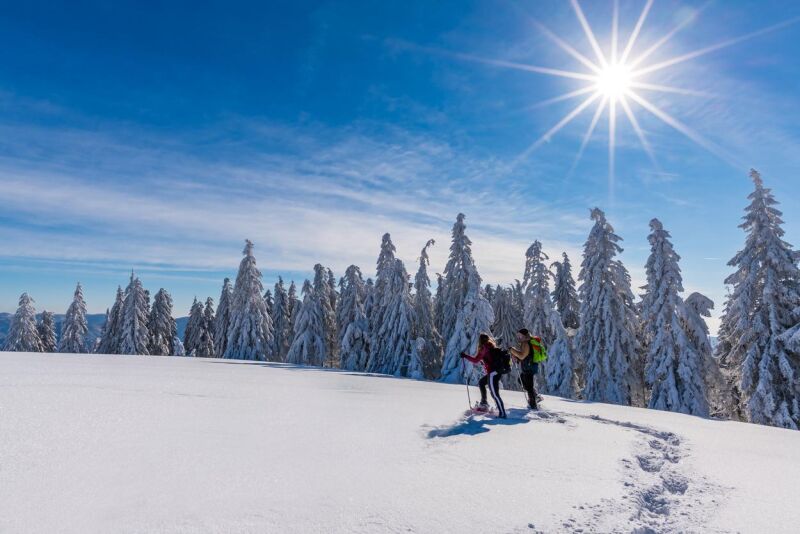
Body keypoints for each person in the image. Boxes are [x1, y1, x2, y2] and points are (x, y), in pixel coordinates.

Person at [460, 333, 507, 418]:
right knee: (482, 382)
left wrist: (465, 356)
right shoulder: (490, 346)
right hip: (496, 372)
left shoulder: (484, 347)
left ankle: (502, 414)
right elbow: (488, 359)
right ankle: (484, 402)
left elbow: (475, 360)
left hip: (492, 373)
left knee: (495, 394)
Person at [509, 328, 543, 410]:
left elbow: (522, 355)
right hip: (528, 367)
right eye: (518, 335)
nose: (518, 337)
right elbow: (525, 356)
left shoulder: (526, 343)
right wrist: (518, 359)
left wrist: (512, 350)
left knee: (529, 386)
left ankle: (533, 405)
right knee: (521, 380)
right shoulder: (525, 343)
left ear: (524, 335)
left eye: (520, 335)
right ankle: (535, 397)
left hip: (529, 368)